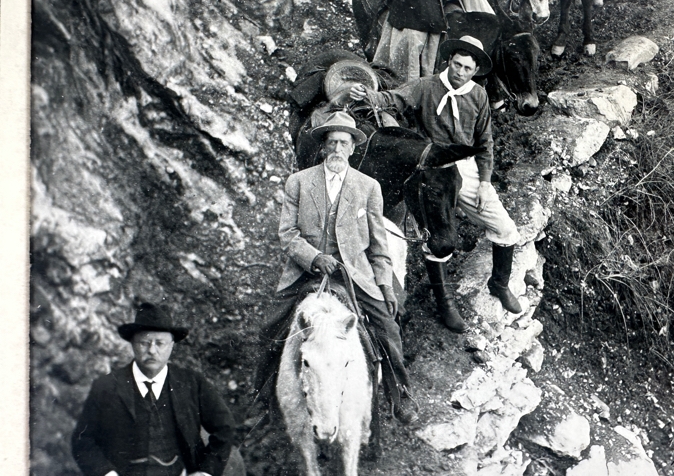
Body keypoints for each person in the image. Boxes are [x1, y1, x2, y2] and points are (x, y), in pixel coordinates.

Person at [351, 36, 522, 334]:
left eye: (468, 68)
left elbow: (485, 142)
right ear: (449, 61)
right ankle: (445, 303)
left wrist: (484, 182)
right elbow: (394, 98)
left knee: (506, 229)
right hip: (431, 168)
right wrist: (367, 95)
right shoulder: (427, 86)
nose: (461, 72)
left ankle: (500, 283)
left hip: (466, 169)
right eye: (457, 64)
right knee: (438, 235)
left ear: (475, 70)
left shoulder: (479, 96)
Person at [259, 111, 418, 424]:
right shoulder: (299, 183)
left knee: (387, 327)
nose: (336, 149)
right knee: (271, 327)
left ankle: (399, 395)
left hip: (354, 272)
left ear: (352, 148)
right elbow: (287, 235)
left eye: (343, 143)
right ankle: (263, 399)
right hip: (306, 270)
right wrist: (315, 257)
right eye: (331, 142)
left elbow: (378, 245)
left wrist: (384, 285)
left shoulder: (368, 187)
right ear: (322, 146)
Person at [71, 303, 238, 476]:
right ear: (133, 344)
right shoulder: (106, 386)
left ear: (171, 346)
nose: (152, 350)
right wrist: (107, 474)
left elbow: (225, 427)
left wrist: (205, 472)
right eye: (144, 343)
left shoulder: (192, 383)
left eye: (160, 343)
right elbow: (83, 441)